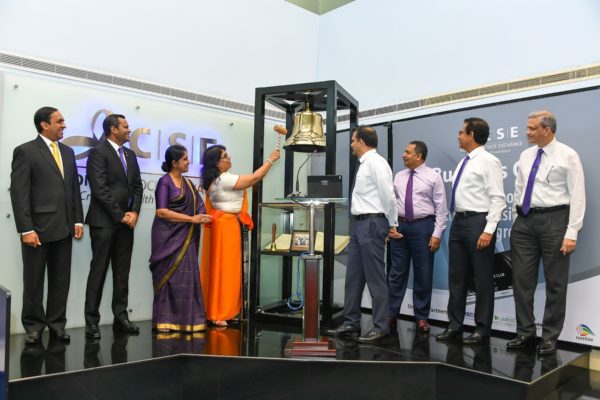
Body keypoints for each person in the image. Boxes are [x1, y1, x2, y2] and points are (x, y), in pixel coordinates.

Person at [507, 111, 585, 355]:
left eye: (531, 128)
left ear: (547, 130)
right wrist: (516, 217)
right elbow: (519, 188)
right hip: (525, 223)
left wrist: (571, 232)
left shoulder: (568, 155)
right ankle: (525, 333)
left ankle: (550, 336)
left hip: (555, 221)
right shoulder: (525, 155)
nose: (527, 132)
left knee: (555, 283)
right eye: (527, 127)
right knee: (521, 281)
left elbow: (578, 195)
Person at [10, 106, 84, 345]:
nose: (64, 125)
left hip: (64, 227)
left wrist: (77, 219)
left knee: (61, 279)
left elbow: (73, 188)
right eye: (59, 121)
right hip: (38, 230)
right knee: (33, 280)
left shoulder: (68, 152)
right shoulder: (25, 151)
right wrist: (26, 229)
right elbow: (19, 194)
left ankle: (57, 325)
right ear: (44, 124)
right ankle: (33, 327)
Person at [436, 117, 505, 345]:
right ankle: (455, 326)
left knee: (483, 279)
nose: (458, 136)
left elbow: (497, 199)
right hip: (459, 223)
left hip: (478, 223)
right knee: (456, 278)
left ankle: (482, 329)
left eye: (461, 132)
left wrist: (488, 230)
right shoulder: (463, 162)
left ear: (472, 135)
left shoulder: (488, 161)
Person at [327, 125, 399, 343]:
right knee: (354, 277)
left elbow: (389, 195)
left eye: (352, 140)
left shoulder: (377, 163)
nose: (350, 144)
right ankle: (351, 321)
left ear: (361, 141)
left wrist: (392, 223)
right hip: (359, 224)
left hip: (372, 223)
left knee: (376, 278)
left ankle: (380, 326)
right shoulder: (364, 164)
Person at [200, 138, 280, 327]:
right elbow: (253, 179)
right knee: (227, 271)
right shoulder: (224, 179)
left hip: (225, 226)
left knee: (226, 270)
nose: (229, 158)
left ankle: (225, 310)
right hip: (226, 227)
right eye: (225, 156)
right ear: (217, 163)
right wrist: (270, 160)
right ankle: (221, 312)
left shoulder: (215, 179)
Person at [84, 113, 143, 339]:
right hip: (104, 222)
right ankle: (91, 321)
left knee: (122, 272)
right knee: (98, 272)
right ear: (113, 129)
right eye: (126, 127)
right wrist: (121, 215)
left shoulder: (130, 154)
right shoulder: (98, 152)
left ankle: (121, 317)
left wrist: (135, 211)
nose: (130, 130)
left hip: (126, 223)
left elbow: (137, 186)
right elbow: (99, 189)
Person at [149, 145, 212, 333]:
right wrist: (191, 219)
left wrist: (202, 216)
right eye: (185, 159)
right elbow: (161, 211)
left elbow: (199, 205)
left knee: (186, 278)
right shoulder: (164, 182)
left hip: (186, 238)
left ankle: (187, 320)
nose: (189, 162)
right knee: (168, 279)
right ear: (174, 163)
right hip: (166, 237)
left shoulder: (188, 184)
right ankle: (165, 322)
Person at [388, 140, 448, 332]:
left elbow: (441, 209)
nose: (403, 155)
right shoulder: (398, 176)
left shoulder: (433, 177)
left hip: (423, 227)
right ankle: (391, 313)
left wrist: (437, 234)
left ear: (418, 156)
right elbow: (391, 203)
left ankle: (422, 317)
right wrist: (391, 225)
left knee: (423, 273)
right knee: (396, 272)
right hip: (400, 227)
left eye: (407, 152)